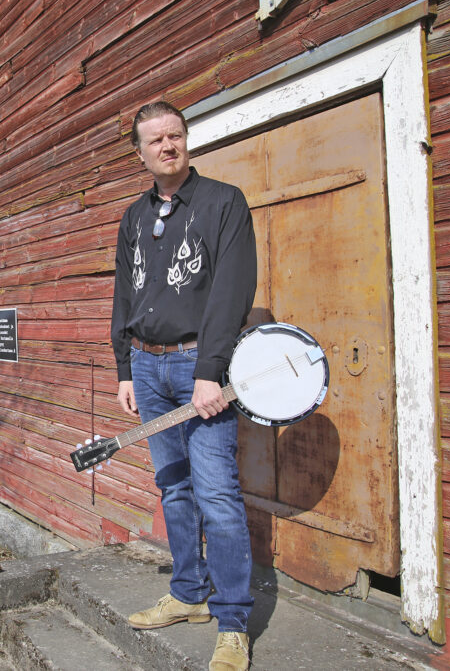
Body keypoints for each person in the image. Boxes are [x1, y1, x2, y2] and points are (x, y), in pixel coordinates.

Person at [111, 101, 257, 671]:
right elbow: (125, 293)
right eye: (155, 140)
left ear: (186, 140)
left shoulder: (224, 203)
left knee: (217, 492)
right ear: (140, 153)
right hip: (147, 368)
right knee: (173, 486)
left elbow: (232, 291)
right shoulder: (132, 217)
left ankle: (233, 621)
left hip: (199, 364)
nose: (167, 146)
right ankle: (188, 593)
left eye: (175, 135)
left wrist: (210, 371)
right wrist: (124, 366)